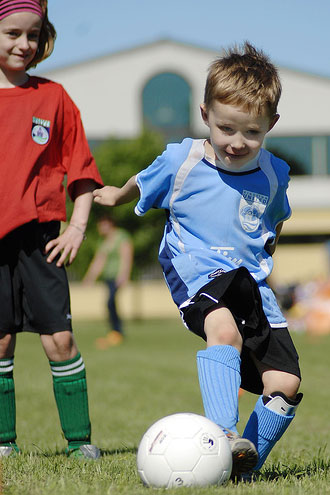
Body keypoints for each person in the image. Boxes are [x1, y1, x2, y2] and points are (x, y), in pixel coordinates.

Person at [93, 42, 303, 479]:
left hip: (251, 281)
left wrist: (269, 251)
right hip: (196, 267)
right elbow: (144, 179)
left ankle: (240, 470)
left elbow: (277, 217)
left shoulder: (275, 173)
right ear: (205, 113)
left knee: (286, 385)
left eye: (252, 133)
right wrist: (117, 193)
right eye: (227, 129)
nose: (237, 142)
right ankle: (223, 437)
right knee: (222, 330)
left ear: (272, 125)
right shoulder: (182, 159)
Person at [0, 0, 103, 459]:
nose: (25, 44)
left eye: (34, 34)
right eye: (13, 34)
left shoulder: (54, 98)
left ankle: (79, 442)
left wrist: (77, 227)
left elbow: (82, 169)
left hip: (42, 238)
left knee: (59, 339)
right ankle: (4, 444)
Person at [83, 216, 133, 348]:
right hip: (108, 278)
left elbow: (126, 256)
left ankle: (117, 332)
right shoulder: (103, 241)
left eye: (103, 225)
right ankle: (115, 331)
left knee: (110, 302)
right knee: (110, 304)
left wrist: (124, 275)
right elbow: (99, 261)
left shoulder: (122, 237)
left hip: (118, 277)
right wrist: (90, 278)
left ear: (110, 224)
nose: (100, 228)